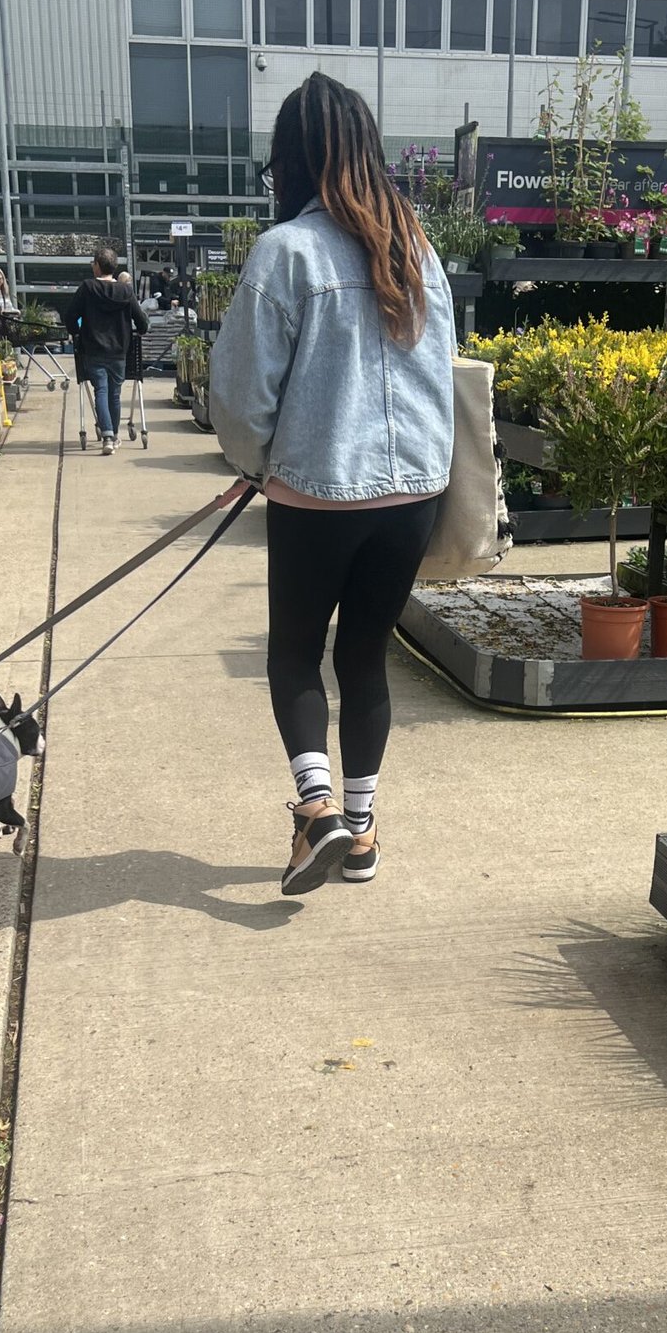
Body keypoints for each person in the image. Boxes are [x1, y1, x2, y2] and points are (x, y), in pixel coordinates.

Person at [210, 71, 455, 897]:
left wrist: (254, 463)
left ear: (293, 157)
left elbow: (243, 396)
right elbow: (443, 377)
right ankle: (365, 831)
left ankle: (317, 811)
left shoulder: (286, 253)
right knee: (366, 655)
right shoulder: (418, 250)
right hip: (411, 499)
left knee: (294, 654)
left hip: (319, 492)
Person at [62, 247, 148, 454]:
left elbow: (70, 316)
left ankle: (107, 435)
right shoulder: (126, 291)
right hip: (119, 350)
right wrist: (137, 331)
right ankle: (114, 435)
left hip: (93, 349)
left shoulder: (87, 288)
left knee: (100, 390)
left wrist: (77, 333)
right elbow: (142, 322)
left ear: (98, 266)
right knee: (114, 394)